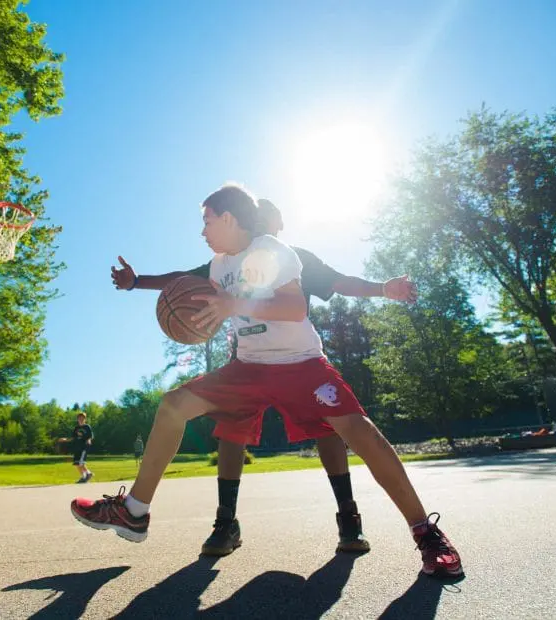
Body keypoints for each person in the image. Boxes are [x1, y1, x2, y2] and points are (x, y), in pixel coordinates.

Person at [74, 184, 463, 579]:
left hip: (301, 364)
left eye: (207, 221)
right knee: (174, 404)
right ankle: (135, 511)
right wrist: (137, 282)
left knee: (359, 432)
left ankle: (425, 533)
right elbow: (182, 281)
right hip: (248, 367)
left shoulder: (276, 252)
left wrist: (237, 303)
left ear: (228, 218)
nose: (202, 232)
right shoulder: (217, 265)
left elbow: (295, 308)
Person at [71, 412, 94, 483]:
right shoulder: (76, 428)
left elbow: (91, 436)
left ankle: (89, 473)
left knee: (81, 463)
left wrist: (89, 440)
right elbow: (73, 437)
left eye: (82, 418)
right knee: (77, 463)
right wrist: (65, 439)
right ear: (77, 419)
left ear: (85, 419)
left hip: (84, 447)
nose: (81, 419)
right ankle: (83, 477)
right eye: (79, 418)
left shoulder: (87, 427)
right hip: (77, 447)